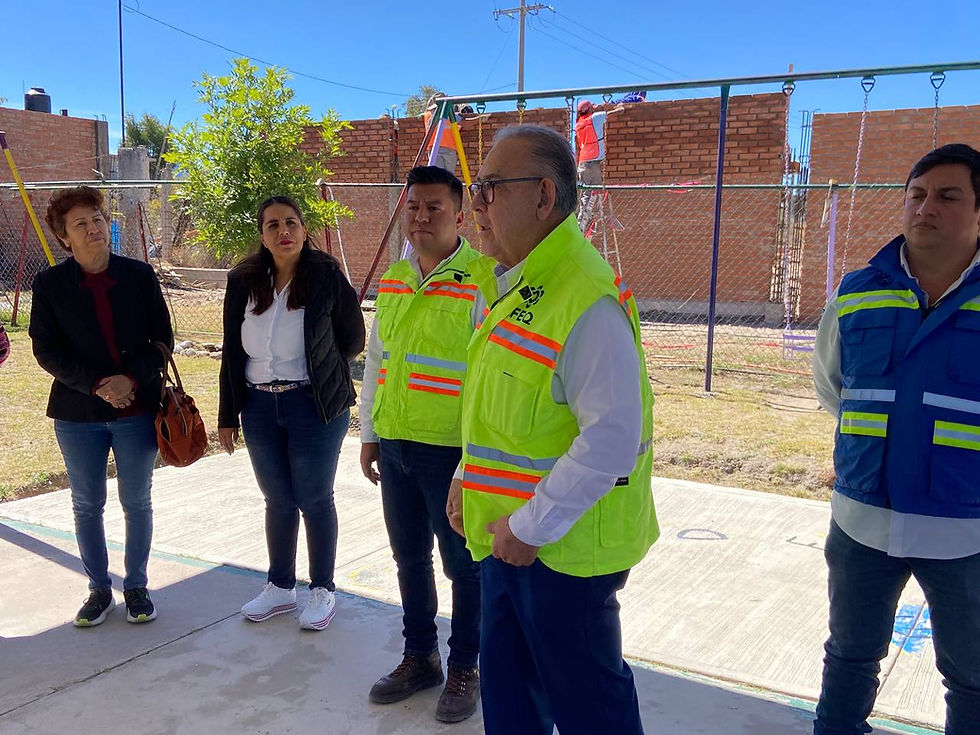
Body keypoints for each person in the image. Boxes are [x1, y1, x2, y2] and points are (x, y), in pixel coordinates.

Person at [447, 125, 659, 734]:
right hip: (506, 539)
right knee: (513, 704)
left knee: (588, 709)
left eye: (488, 188)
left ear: (543, 197)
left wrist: (530, 526)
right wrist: (467, 476)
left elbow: (613, 437)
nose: (475, 203)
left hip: (560, 552)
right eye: (475, 187)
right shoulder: (507, 287)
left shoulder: (584, 297)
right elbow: (497, 411)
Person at [812, 143, 980, 735]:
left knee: (972, 680)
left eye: (948, 196)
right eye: (916, 195)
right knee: (849, 661)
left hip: (965, 532)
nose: (925, 207)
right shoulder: (858, 292)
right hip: (862, 523)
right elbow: (834, 388)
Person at [359, 165, 492, 723]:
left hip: (450, 453)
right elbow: (376, 361)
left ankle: (465, 665)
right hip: (396, 444)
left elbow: (488, 378)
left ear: (459, 214)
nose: (421, 217)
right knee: (408, 558)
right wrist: (368, 433)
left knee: (463, 564)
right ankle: (420, 657)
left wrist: (472, 462)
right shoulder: (393, 277)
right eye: (413, 206)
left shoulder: (485, 279)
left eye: (434, 207)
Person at [217, 196, 365, 631]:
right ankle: (281, 587)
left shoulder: (326, 275)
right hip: (259, 405)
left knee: (314, 497)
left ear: (304, 229)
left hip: (313, 404)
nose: (283, 231)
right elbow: (231, 351)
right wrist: (228, 415)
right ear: (262, 235)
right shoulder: (243, 280)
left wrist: (317, 367)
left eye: (292, 223)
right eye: (273, 225)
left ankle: (322, 589)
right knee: (277, 498)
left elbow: (352, 339)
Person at [30, 186, 173, 627]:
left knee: (137, 501)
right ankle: (98, 590)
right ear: (64, 238)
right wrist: (97, 386)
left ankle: (136, 587)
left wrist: (129, 380)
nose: (93, 228)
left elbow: (162, 341)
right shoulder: (50, 285)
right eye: (80, 224)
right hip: (78, 416)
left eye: (96, 219)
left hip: (136, 411)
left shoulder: (139, 276)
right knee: (87, 504)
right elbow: (46, 351)